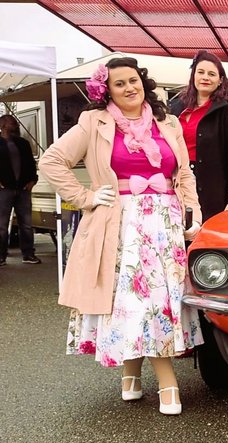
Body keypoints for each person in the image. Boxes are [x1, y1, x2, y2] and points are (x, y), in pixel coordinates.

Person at [38, 57, 204, 416]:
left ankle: (131, 374)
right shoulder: (93, 121)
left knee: (157, 299)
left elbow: (184, 174)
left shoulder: (168, 122)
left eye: (134, 80)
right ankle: (167, 381)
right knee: (136, 301)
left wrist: (193, 212)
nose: (129, 88)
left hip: (165, 224)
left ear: (143, 82)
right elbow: (51, 161)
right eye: (119, 83)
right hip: (121, 225)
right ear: (107, 91)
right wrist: (85, 197)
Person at [170, 50, 228, 222]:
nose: (205, 77)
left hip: (211, 189)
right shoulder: (175, 107)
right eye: (201, 72)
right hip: (176, 183)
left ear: (220, 80)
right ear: (193, 76)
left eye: (212, 74)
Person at [0, 114, 40, 266]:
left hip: (23, 189)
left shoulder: (23, 143)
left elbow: (31, 164)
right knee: (1, 225)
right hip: (4, 190)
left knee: (26, 224)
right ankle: (1, 256)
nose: (16, 124)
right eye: (12, 122)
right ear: (3, 125)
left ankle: (28, 254)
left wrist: (33, 181)